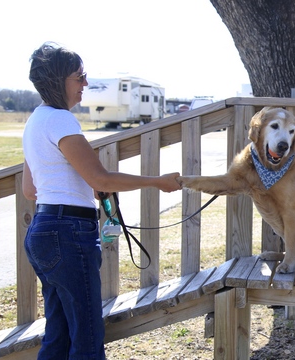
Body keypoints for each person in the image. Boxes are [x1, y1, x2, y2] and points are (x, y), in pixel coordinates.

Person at [21, 42, 181, 359]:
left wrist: (80, 187)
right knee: (87, 337)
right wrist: (158, 182)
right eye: (79, 77)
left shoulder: (35, 122)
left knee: (58, 335)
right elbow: (101, 179)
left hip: (42, 232)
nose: (85, 84)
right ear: (58, 81)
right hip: (69, 235)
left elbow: (31, 189)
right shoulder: (61, 120)